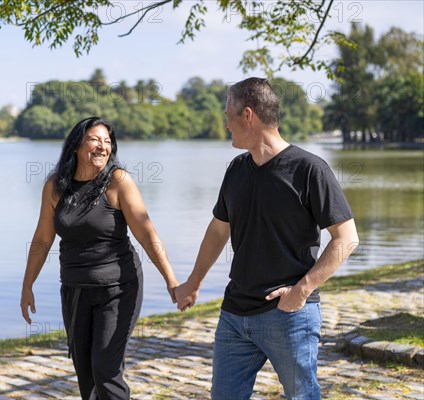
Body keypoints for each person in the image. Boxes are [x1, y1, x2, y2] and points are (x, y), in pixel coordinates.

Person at [175, 78, 359, 400]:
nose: (225, 124)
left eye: (228, 115)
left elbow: (346, 238)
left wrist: (302, 290)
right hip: (234, 313)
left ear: (248, 116)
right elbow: (219, 230)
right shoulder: (236, 169)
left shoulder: (309, 169)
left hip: (287, 315)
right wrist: (193, 281)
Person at [20, 116, 179, 400]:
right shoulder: (56, 186)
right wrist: (26, 285)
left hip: (118, 288)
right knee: (85, 372)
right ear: (76, 146)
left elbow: (146, 233)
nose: (102, 147)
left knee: (106, 369)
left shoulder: (118, 181)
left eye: (107, 142)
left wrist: (171, 279)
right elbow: (43, 239)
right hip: (75, 290)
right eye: (94, 139)